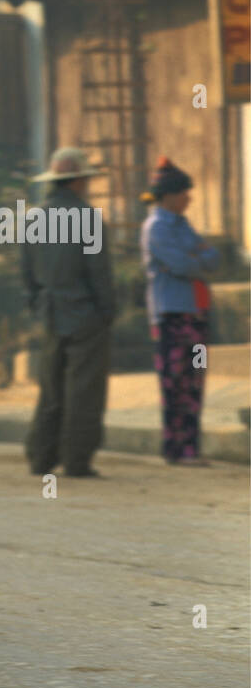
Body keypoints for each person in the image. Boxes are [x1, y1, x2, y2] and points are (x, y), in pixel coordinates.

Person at [21, 147, 115, 478]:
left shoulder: (33, 217)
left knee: (51, 388)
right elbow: (99, 273)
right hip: (85, 315)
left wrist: (39, 306)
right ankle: (77, 460)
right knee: (83, 391)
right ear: (76, 181)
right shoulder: (88, 218)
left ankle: (40, 457)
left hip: (49, 315)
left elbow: (27, 275)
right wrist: (107, 311)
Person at [140, 157, 220, 466]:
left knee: (195, 380)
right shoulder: (156, 228)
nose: (188, 198)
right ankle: (176, 448)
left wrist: (197, 257)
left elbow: (214, 258)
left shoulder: (183, 226)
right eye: (184, 192)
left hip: (196, 312)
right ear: (168, 196)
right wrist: (198, 255)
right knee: (175, 383)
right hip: (171, 315)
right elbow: (184, 264)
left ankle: (190, 448)